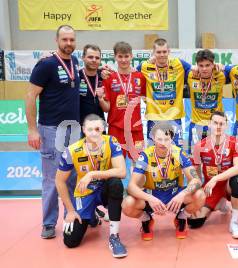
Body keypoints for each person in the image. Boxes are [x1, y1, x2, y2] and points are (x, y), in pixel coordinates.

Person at [26, 24, 80, 239]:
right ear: (57, 40)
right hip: (50, 129)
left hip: (73, 129)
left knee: (73, 176)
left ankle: (72, 216)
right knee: (51, 178)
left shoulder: (75, 62)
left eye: (72, 40)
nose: (68, 43)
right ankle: (48, 223)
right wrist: (32, 129)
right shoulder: (46, 64)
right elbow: (30, 96)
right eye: (64, 39)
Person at [55, 114, 127, 258]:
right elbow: (59, 181)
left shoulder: (111, 141)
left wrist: (92, 174)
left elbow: (122, 171)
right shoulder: (72, 150)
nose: (94, 133)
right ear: (83, 130)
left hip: (104, 189)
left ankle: (114, 237)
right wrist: (70, 210)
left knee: (116, 184)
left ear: (103, 129)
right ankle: (91, 216)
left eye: (97, 129)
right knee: (70, 241)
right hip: (84, 193)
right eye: (89, 129)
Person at [121, 122, 205, 240]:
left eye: (166, 139)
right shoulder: (145, 156)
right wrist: (150, 198)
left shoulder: (179, 153)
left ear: (171, 139)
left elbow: (196, 180)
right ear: (153, 138)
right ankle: (146, 219)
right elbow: (131, 186)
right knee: (127, 204)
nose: (163, 143)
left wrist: (182, 194)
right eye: (159, 139)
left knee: (200, 195)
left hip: (175, 197)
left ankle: (181, 217)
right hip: (153, 198)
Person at [189, 111, 238, 238]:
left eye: (222, 123)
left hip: (228, 185)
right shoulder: (199, 146)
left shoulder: (235, 142)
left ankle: (235, 222)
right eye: (215, 123)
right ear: (210, 124)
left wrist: (216, 178)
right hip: (211, 188)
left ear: (226, 126)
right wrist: (196, 196)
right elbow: (195, 175)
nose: (218, 126)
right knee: (194, 221)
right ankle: (220, 203)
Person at [138, 38, 192, 147]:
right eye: (158, 52)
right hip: (154, 118)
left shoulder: (179, 64)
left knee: (176, 151)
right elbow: (131, 74)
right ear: (153, 53)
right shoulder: (145, 66)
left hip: (174, 117)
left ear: (169, 51)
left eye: (164, 51)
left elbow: (196, 70)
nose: (162, 55)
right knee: (153, 152)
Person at [100, 41, 146, 161]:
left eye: (126, 56)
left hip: (135, 129)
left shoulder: (140, 77)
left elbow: (148, 99)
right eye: (120, 56)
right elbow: (107, 108)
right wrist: (100, 98)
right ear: (115, 57)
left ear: (131, 56)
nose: (124, 60)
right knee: (115, 163)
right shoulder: (109, 77)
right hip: (116, 128)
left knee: (139, 165)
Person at [187, 49, 228, 153]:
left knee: (217, 156)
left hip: (216, 124)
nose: (204, 69)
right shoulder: (190, 75)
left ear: (213, 64)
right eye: (201, 65)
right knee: (194, 157)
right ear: (196, 65)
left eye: (207, 65)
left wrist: (221, 65)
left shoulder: (221, 75)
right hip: (197, 124)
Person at [79, 44, 105, 127]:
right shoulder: (76, 76)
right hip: (80, 126)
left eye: (97, 58)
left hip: (99, 126)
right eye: (90, 57)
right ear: (83, 58)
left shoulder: (104, 76)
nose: (94, 60)